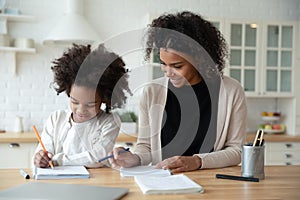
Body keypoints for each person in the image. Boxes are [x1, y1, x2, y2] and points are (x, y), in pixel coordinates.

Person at [109, 11, 247, 173]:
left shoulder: (231, 91)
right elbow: (145, 145)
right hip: (164, 180)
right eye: (163, 63)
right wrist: (136, 158)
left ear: (200, 59)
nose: (168, 72)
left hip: (213, 181)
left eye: (177, 66)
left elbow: (236, 151)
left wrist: (197, 161)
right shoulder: (152, 92)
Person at [33, 44, 131, 168]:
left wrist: (59, 160)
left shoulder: (109, 122)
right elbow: (43, 152)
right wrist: (40, 158)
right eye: (75, 102)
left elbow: (98, 157)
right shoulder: (56, 119)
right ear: (68, 92)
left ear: (104, 99)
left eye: (90, 104)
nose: (81, 110)